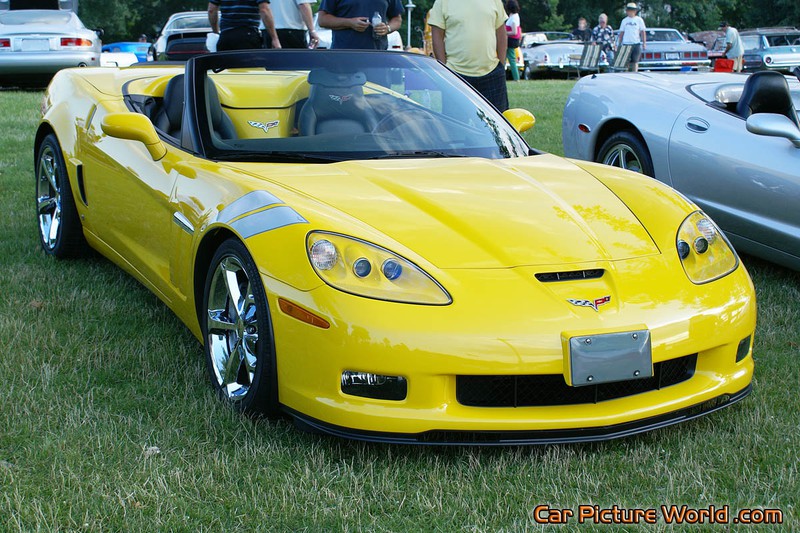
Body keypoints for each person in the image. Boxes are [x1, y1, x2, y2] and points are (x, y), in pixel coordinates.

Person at [429, 0, 509, 111]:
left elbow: (501, 33)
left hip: (492, 74)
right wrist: (444, 69)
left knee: (497, 121)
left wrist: (500, 65)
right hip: (455, 75)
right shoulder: (442, 2)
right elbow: (437, 36)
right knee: (456, 121)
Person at [318, 0, 403, 50]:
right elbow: (322, 20)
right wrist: (349, 23)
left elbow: (397, 19)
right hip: (344, 55)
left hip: (377, 55)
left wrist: (387, 28)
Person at [208, 0, 281, 51]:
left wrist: (216, 32)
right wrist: (274, 38)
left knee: (226, 67)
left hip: (226, 36)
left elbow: (211, 10)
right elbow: (264, 10)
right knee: (251, 67)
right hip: (248, 36)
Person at [617, 2, 646, 72]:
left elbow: (643, 32)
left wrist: (644, 43)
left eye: (632, 10)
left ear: (635, 11)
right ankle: (626, 74)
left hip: (636, 43)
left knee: (635, 61)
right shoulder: (624, 21)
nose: (630, 12)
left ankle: (635, 74)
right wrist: (619, 43)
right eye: (629, 10)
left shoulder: (639, 20)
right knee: (626, 61)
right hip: (626, 43)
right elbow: (621, 33)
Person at [505, 0, 521, 82]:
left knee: (511, 59)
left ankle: (516, 78)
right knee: (505, 58)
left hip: (510, 41)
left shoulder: (514, 18)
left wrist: (504, 33)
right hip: (511, 40)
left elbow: (514, 32)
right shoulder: (514, 16)